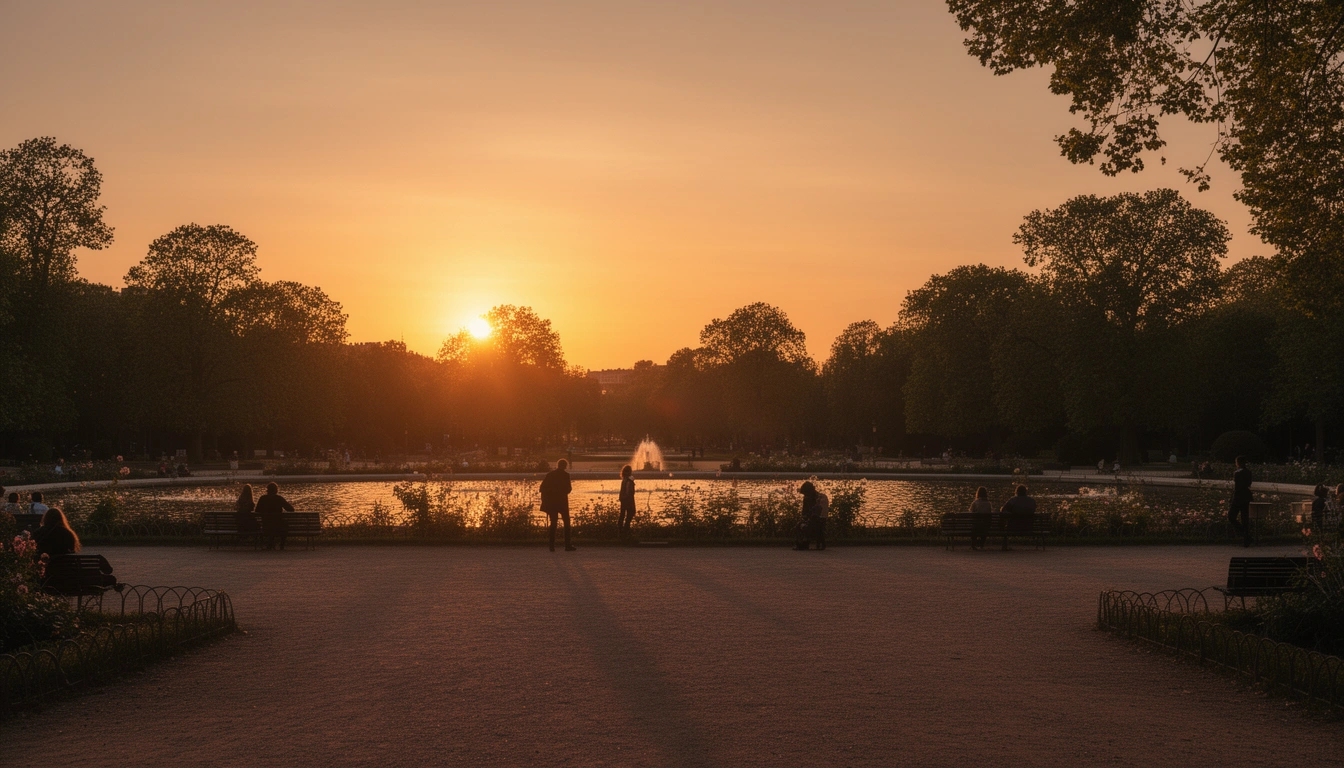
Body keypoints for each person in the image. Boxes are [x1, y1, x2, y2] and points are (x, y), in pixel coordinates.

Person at [540, 459, 575, 552]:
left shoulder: (550, 475)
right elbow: (569, 489)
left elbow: (542, 488)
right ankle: (567, 545)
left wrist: (545, 499)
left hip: (552, 503)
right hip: (562, 502)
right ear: (565, 466)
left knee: (553, 523)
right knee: (567, 523)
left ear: (557, 465)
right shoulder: (566, 475)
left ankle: (551, 546)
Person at [255, 482, 294, 551]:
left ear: (267, 490)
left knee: (271, 523)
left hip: (266, 525)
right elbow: (291, 509)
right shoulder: (279, 499)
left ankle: (270, 544)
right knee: (285, 525)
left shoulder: (263, 498)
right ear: (276, 490)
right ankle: (281, 545)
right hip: (278, 525)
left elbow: (257, 510)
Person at [999, 485, 1037, 551]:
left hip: (1013, 527)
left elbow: (1003, 510)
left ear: (1017, 492)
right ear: (1026, 492)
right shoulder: (1032, 501)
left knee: (1005, 525)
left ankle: (1004, 545)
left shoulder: (1013, 500)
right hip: (1028, 527)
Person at [1229, 456, 1253, 548]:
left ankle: (1245, 535)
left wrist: (1232, 499)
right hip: (1247, 497)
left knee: (1231, 517)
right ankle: (1246, 537)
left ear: (1238, 463)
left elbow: (1237, 488)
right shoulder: (1249, 472)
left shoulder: (1237, 473)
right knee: (1244, 519)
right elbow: (1248, 484)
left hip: (1238, 498)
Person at [795, 482, 818, 551]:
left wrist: (807, 517)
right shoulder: (808, 498)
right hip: (809, 518)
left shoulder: (814, 498)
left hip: (813, 519)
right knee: (799, 526)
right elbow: (804, 510)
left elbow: (813, 510)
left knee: (805, 526)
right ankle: (801, 542)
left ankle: (804, 542)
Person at [969, 486, 993, 550]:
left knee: (975, 525)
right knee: (984, 525)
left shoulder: (975, 503)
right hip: (985, 526)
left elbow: (971, 513)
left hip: (976, 526)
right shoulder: (988, 504)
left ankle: (973, 544)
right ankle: (981, 545)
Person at [618, 465, 637, 540]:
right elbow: (629, 492)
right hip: (628, 500)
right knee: (630, 514)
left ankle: (621, 532)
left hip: (623, 500)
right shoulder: (629, 481)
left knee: (622, 515)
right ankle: (625, 532)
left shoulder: (624, 480)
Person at [810, 485, 830, 551]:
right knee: (820, 531)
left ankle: (820, 544)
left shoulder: (819, 498)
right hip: (823, 516)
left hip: (820, 516)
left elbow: (818, 507)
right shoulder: (823, 496)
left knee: (819, 531)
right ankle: (820, 544)